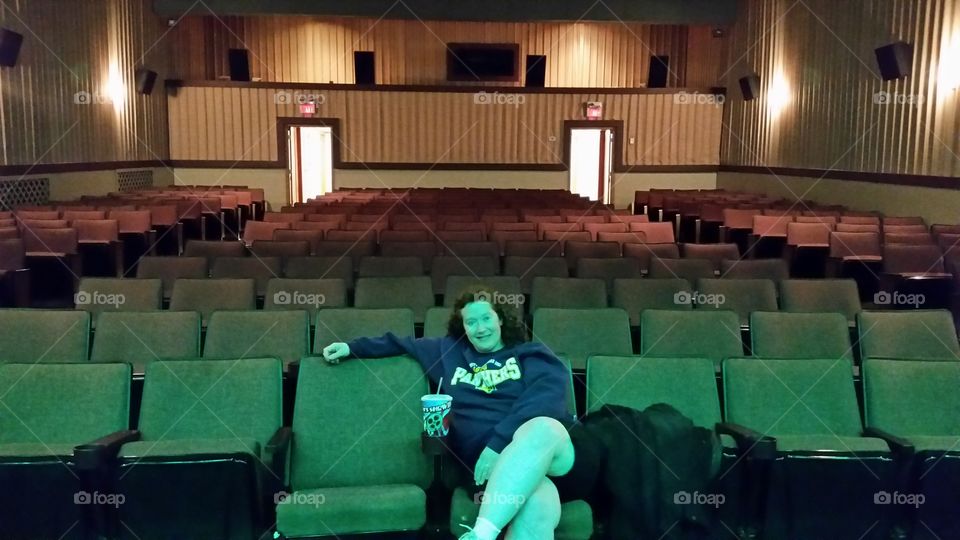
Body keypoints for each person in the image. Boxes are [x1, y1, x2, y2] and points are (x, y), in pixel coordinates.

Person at [322, 286, 587, 540]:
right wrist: (350, 347)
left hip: (551, 458)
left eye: (486, 318)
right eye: (471, 322)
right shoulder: (448, 353)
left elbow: (546, 400)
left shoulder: (530, 354)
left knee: (543, 427)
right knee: (537, 505)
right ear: (463, 327)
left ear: (501, 320)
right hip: (487, 469)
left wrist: (498, 443)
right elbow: (398, 343)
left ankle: (481, 534)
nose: (480, 328)